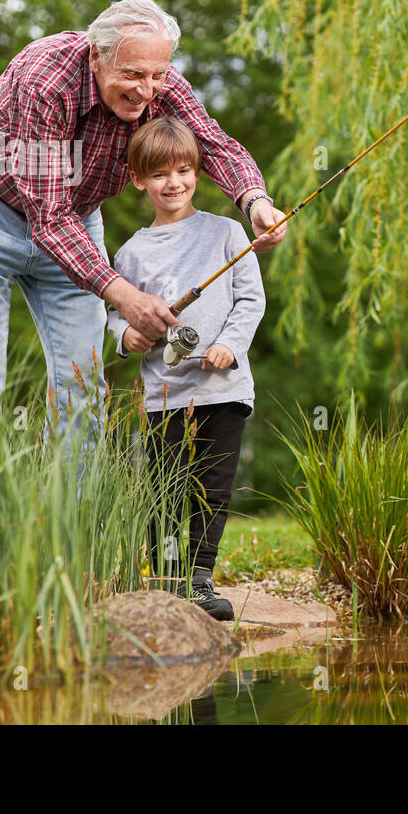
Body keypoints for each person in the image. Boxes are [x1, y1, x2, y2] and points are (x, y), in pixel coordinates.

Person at [0, 0, 285, 448]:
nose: (147, 89)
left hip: (73, 219)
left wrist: (254, 200)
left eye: (158, 74)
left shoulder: (162, 85)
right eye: (133, 75)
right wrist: (125, 294)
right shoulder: (47, 80)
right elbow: (49, 216)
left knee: (81, 386)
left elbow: (212, 144)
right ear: (96, 55)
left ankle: (71, 517)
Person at [107, 116, 265, 620]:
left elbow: (250, 301)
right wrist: (127, 337)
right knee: (166, 485)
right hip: (165, 393)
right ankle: (168, 578)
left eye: (183, 170)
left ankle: (199, 580)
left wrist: (228, 345)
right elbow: (114, 315)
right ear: (138, 180)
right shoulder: (130, 251)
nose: (173, 183)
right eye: (159, 175)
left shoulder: (227, 232)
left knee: (214, 484)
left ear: (198, 172)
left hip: (224, 388)